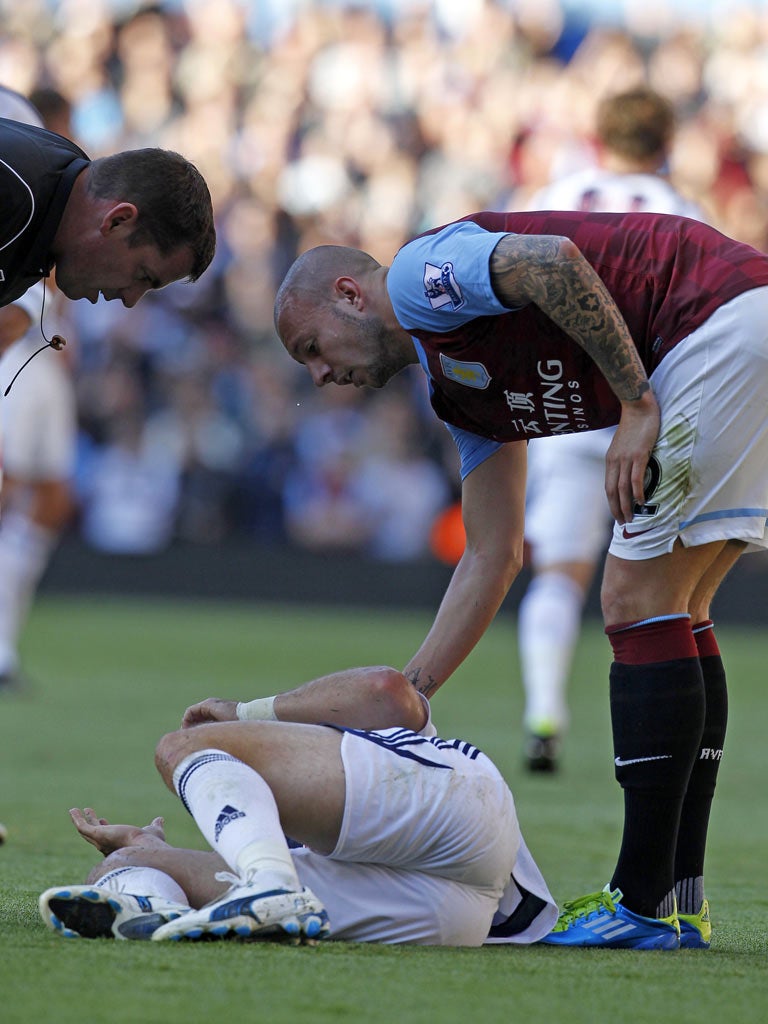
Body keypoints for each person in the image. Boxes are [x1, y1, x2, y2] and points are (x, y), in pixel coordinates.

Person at [273, 209, 768, 949]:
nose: (320, 375)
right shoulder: (457, 392)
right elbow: (492, 554)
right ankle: (675, 900)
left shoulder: (412, 280)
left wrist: (635, 404)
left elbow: (550, 262)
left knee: (635, 602)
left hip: (714, 324)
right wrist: (412, 693)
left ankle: (638, 905)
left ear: (349, 294)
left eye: (311, 348)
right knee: (682, 609)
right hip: (739, 326)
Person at [38, 666, 557, 946]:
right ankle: (157, 910)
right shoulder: (270, 817)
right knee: (121, 867)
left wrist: (246, 712)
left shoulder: (392, 755)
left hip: (464, 818)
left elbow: (388, 692)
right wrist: (142, 845)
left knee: (181, 748)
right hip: (468, 919)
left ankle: (269, 886)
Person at [517, 86, 707, 773]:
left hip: (566, 404)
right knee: (661, 593)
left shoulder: (556, 195)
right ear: (666, 140)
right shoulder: (684, 211)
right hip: (650, 415)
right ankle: (660, 749)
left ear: (600, 132)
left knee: (559, 574)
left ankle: (544, 711)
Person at [0, 86, 77, 691]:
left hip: (44, 349)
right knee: (9, 487)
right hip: (13, 342)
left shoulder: (59, 162)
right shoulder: (20, 125)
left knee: (49, 494)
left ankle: (4, 637)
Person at [0, 113, 215, 314]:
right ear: (117, 221)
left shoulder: (61, 185)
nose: (130, 300)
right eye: (143, 276)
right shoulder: (12, 191)